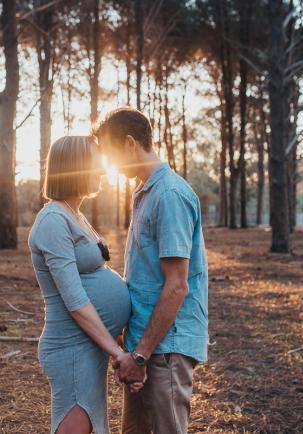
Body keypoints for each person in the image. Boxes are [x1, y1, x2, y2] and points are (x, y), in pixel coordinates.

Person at [93, 107, 209, 434]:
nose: (110, 167)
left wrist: (141, 355)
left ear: (130, 144)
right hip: (142, 343)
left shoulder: (170, 195)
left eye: (111, 156)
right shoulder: (144, 192)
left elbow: (176, 286)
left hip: (165, 347)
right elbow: (145, 276)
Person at [28, 135, 139, 434]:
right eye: (95, 164)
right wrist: (118, 354)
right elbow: (75, 300)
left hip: (89, 346)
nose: (103, 171)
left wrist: (115, 342)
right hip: (70, 348)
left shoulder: (73, 214)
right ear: (75, 168)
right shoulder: (52, 219)